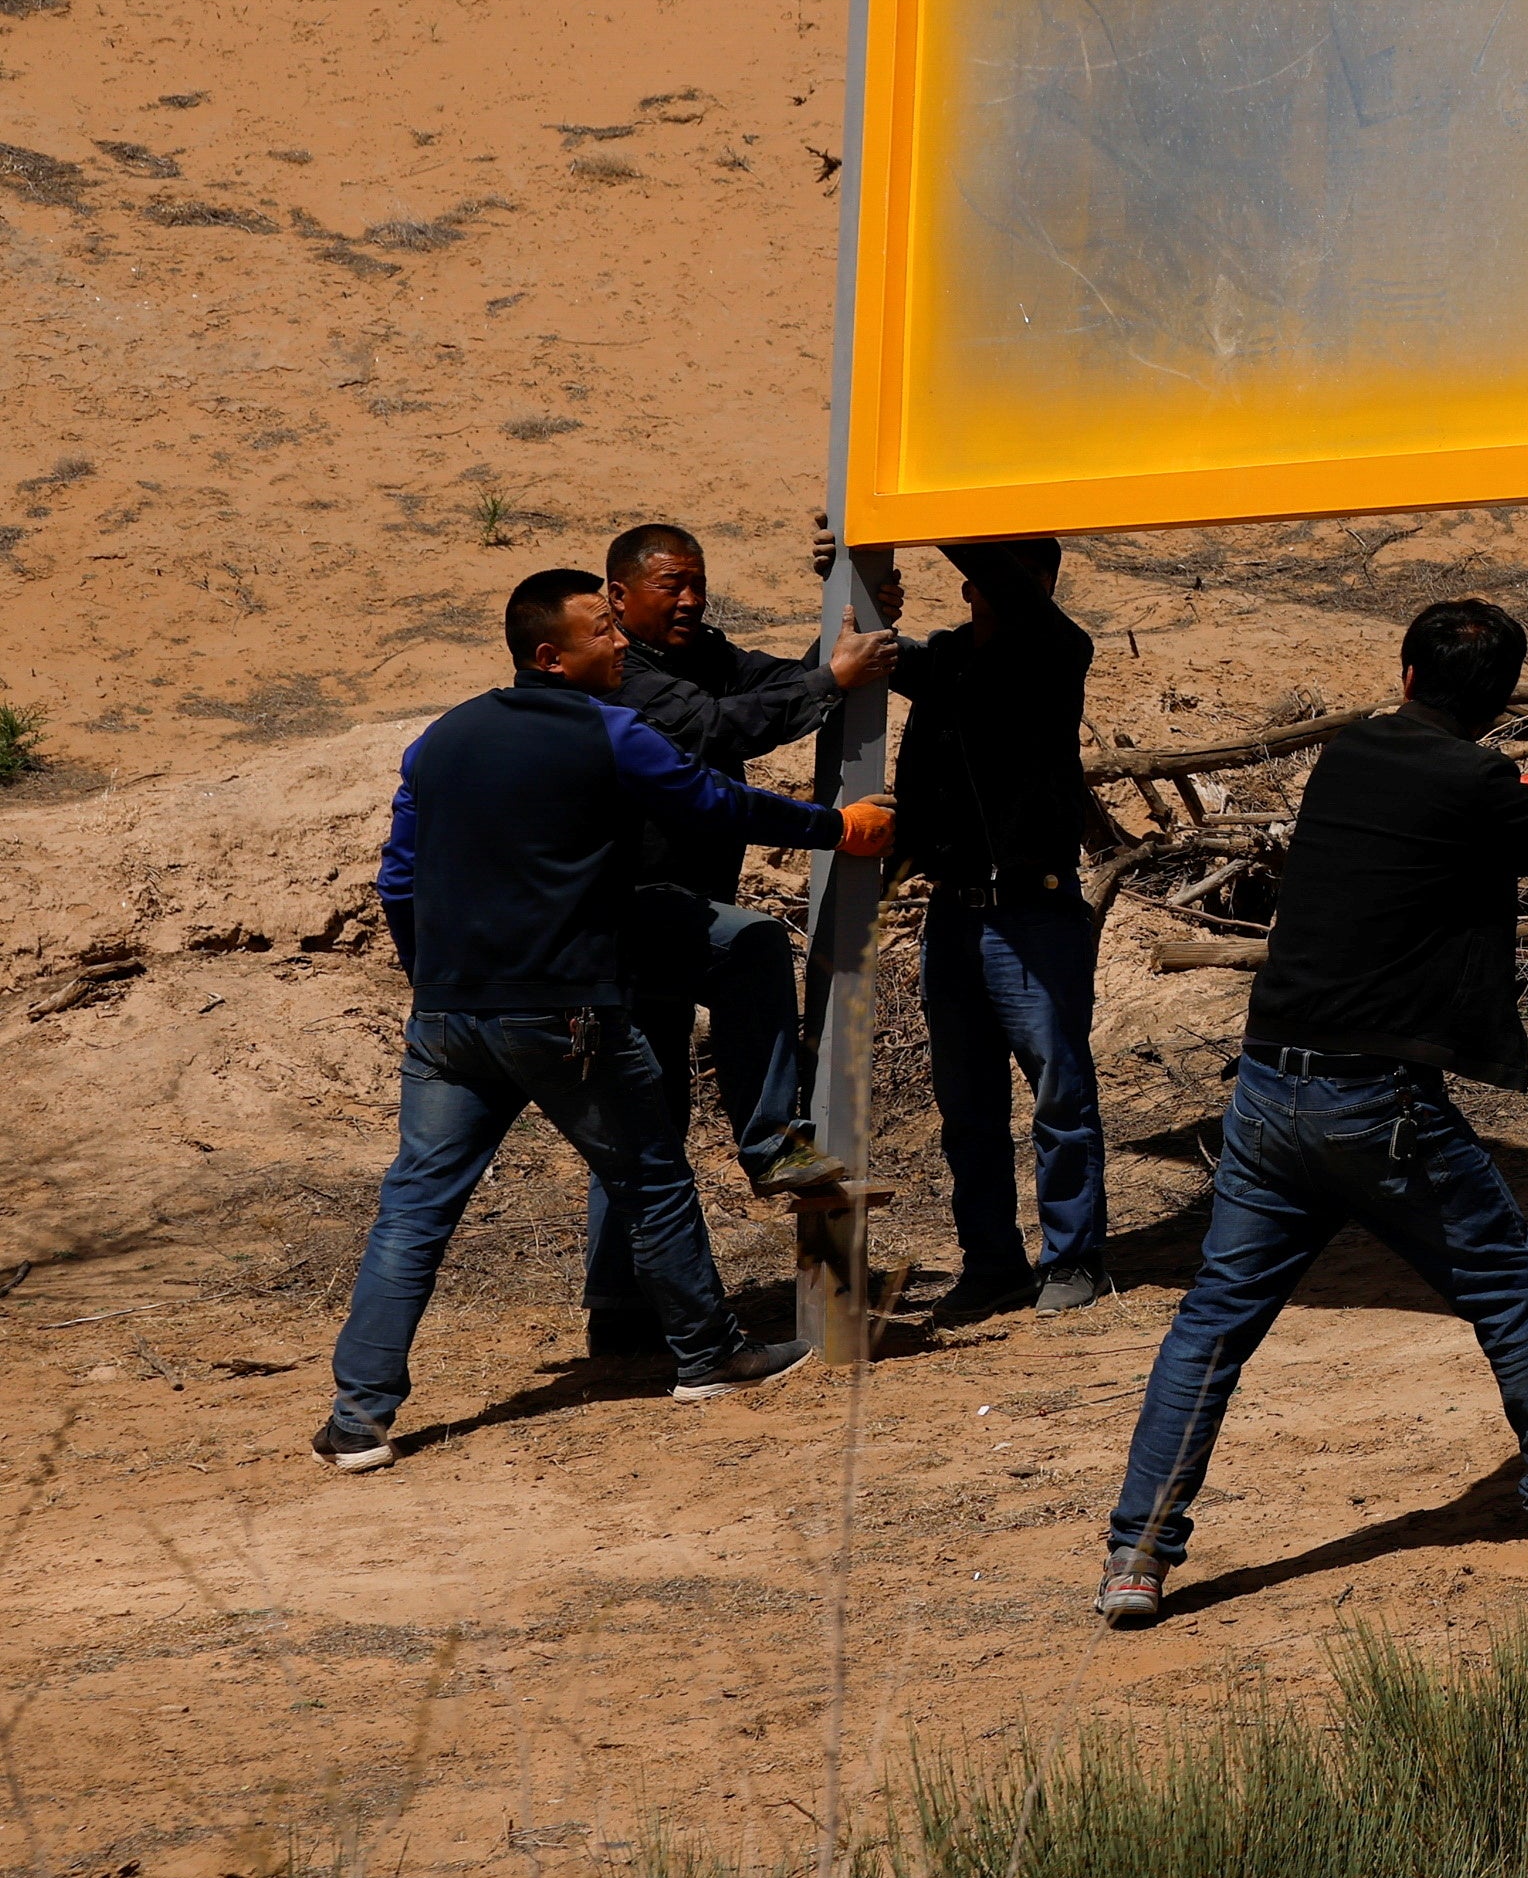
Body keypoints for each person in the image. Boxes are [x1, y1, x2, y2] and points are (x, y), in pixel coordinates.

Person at [1096, 595, 1528, 1624]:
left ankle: (1137, 1553)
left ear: (1404, 677)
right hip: (1375, 1101)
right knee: (1513, 1286)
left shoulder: (1353, 752)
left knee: (1212, 1325)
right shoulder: (1476, 777)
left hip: (1265, 1088)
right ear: (1497, 704)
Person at [317, 567, 886, 1467]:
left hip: (450, 1018)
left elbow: (398, 876)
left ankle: (359, 1419)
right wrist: (836, 827)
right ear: (550, 655)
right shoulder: (608, 732)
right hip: (564, 1013)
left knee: (414, 1208)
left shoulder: (441, 739)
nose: (621, 642)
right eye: (601, 633)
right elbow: (717, 801)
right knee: (653, 1179)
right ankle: (709, 1355)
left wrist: (438, 976)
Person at [586, 520, 896, 1363]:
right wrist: (833, 676)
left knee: (646, 1120)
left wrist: (843, 616)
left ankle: (618, 1306)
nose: (690, 600)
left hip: (676, 912)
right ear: (619, 596)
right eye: (670, 586)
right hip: (635, 912)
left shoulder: (700, 656)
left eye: (698, 584)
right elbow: (721, 728)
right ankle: (772, 1146)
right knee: (755, 946)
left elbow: (778, 687)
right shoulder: (619, 676)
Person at [896, 537, 1123, 1320]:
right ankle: (991, 1262)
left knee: (1059, 1095)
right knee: (968, 1109)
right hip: (954, 915)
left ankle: (1074, 1258)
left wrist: (938, 511)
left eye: (1027, 574)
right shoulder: (946, 660)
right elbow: (847, 660)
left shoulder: (1057, 650)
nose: (1010, 586)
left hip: (1034, 913)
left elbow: (1009, 591)